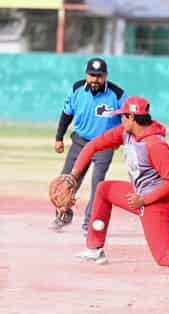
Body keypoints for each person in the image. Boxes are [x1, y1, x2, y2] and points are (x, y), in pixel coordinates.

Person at [71, 96, 169, 268]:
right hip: (141, 197)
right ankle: (94, 249)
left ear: (132, 117)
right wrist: (73, 176)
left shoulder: (155, 144)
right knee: (104, 189)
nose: (121, 119)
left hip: (160, 203)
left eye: (123, 116)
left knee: (164, 257)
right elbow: (93, 145)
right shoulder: (126, 133)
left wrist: (144, 200)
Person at [51, 57, 127, 235]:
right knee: (67, 180)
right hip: (80, 142)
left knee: (97, 183)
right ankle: (63, 215)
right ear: (86, 75)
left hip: (104, 145)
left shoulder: (117, 94)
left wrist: (120, 140)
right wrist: (59, 137)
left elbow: (128, 119)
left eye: (99, 76)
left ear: (105, 76)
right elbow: (66, 114)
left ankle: (89, 223)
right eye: (92, 75)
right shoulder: (77, 89)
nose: (95, 79)